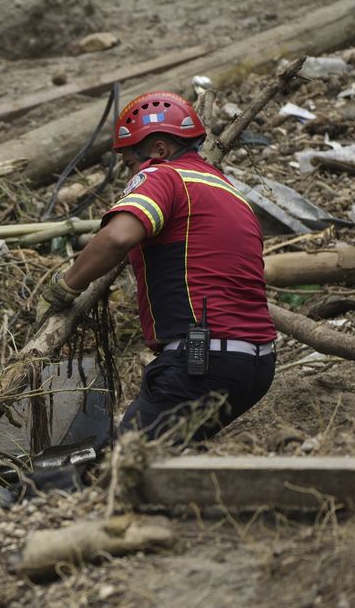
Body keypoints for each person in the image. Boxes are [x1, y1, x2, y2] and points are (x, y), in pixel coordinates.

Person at [40, 91, 276, 443]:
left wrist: (66, 286)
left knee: (129, 464)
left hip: (203, 358)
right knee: (174, 459)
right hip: (256, 363)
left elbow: (117, 237)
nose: (130, 173)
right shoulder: (227, 190)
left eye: (129, 163)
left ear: (159, 150)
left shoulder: (164, 176)